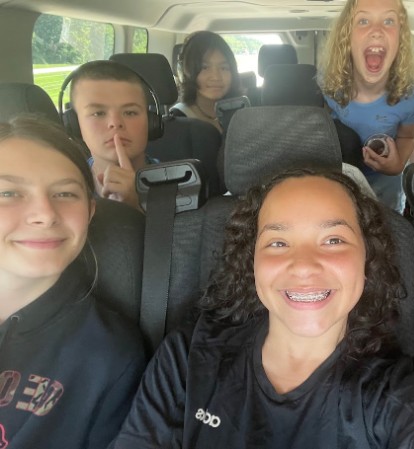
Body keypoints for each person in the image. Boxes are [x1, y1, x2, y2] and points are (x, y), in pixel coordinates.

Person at [112, 167, 414, 448]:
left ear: (366, 260)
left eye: (334, 240)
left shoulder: (393, 397)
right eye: (277, 243)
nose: (303, 265)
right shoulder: (189, 355)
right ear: (251, 261)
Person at [0, 116, 146, 449]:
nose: (44, 213)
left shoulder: (105, 355)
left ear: (91, 212)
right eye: (8, 192)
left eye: (65, 193)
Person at [319, 0, 414, 213]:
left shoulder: (413, 95)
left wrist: (396, 166)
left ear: (401, 39)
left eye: (388, 21)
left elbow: (406, 137)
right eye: (364, 20)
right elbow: (325, 127)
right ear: (346, 37)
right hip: (343, 174)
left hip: (386, 180)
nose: (376, 31)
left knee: (386, 229)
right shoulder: (330, 85)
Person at [68, 60, 160, 211]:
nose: (115, 123)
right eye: (98, 113)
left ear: (151, 122)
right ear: (74, 125)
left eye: (130, 112)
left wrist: (138, 207)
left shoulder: (181, 185)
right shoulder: (64, 188)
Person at [171, 30, 242, 133]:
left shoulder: (242, 113)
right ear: (186, 72)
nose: (216, 77)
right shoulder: (178, 119)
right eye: (204, 67)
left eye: (223, 68)